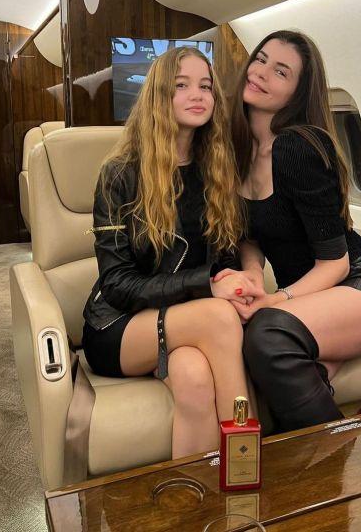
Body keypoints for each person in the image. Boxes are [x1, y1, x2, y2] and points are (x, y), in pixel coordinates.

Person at [216, 30, 361, 433]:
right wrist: (252, 273)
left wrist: (274, 299)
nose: (261, 72)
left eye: (280, 71)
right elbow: (250, 235)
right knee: (262, 354)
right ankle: (319, 457)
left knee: (267, 333)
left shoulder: (298, 147)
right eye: (261, 59)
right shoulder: (237, 150)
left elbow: (336, 263)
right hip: (316, 295)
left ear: (297, 94)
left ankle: (331, 460)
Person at [82, 46, 262, 458]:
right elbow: (117, 285)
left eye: (206, 86)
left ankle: (197, 493)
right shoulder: (119, 174)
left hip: (188, 319)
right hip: (119, 325)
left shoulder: (218, 169)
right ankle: (247, 461)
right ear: (159, 96)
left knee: (195, 379)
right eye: (181, 86)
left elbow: (226, 256)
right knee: (219, 316)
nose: (197, 94)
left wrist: (237, 282)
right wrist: (208, 286)